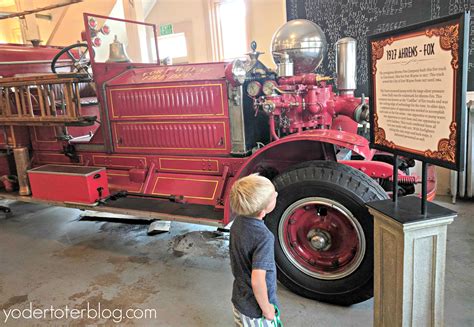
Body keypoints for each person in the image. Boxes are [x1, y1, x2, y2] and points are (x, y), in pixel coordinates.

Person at [229, 174, 281, 327]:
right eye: (273, 196)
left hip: (239, 298)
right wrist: (267, 310)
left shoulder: (237, 222)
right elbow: (258, 280)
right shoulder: (264, 237)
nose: (276, 194)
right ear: (262, 211)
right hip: (256, 311)